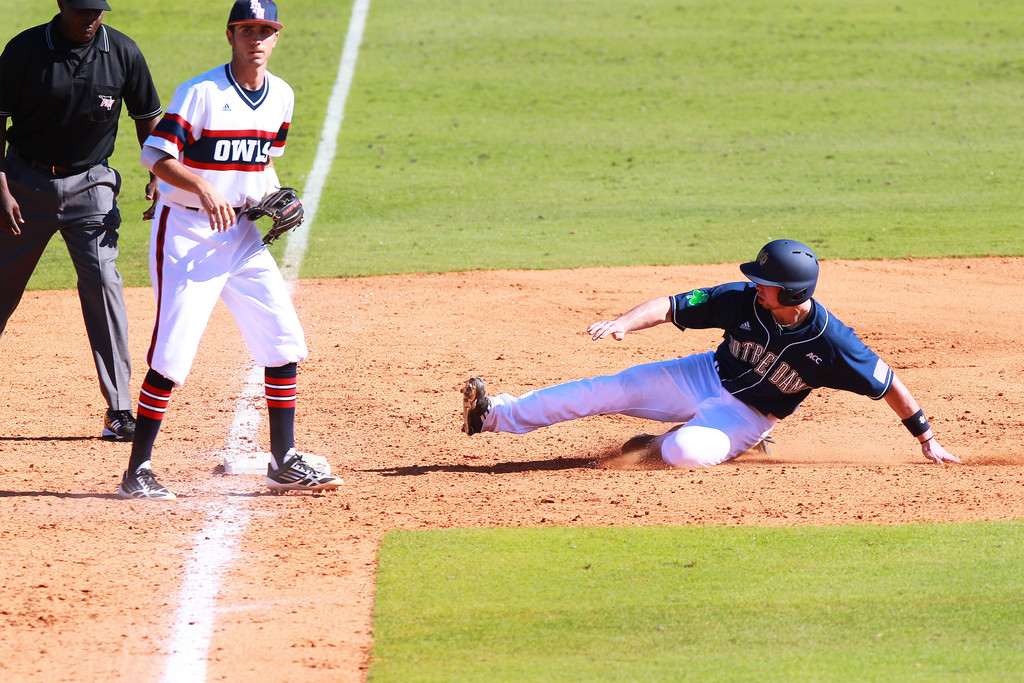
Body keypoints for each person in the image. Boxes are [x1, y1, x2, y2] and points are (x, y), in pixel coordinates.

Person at [461, 239, 961, 469]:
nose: (754, 285)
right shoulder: (742, 300)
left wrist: (926, 439)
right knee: (605, 389)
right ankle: (493, 416)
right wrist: (623, 323)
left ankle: (687, 441)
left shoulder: (833, 345)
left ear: (789, 295)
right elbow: (671, 305)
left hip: (748, 414)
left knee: (682, 454)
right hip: (702, 374)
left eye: (764, 282)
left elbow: (889, 382)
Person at [119, 0, 341, 499]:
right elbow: (153, 154)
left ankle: (283, 460)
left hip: (240, 235)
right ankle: (138, 471)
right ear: (231, 35)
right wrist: (201, 186)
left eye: (265, 30)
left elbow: (263, 163)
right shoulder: (200, 92)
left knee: (283, 340)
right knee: (173, 352)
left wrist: (278, 195)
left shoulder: (281, 96)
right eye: (247, 30)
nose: (256, 39)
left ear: (276, 36)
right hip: (187, 234)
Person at [0, 0, 163, 441]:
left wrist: (158, 175)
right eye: (81, 9)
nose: (90, 17)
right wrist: (0, 184)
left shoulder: (123, 52)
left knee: (104, 284)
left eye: (98, 9)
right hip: (24, 183)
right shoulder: (25, 50)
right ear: (61, 5)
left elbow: (148, 119)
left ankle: (119, 408)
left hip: (92, 186)